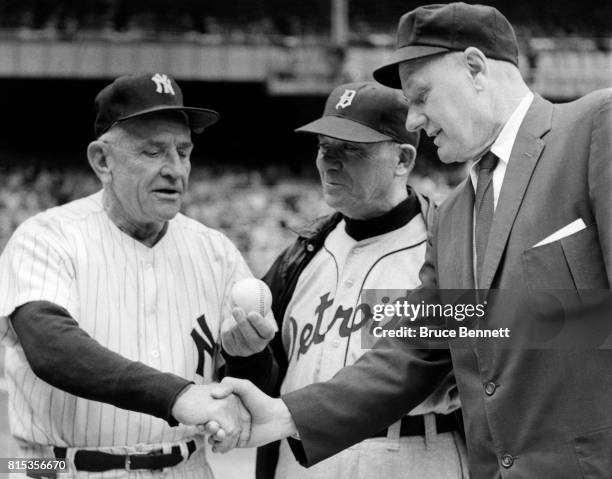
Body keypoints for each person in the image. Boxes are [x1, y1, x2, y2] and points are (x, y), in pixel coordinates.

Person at [208, 3, 612, 478]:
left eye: (421, 96)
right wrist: (286, 415)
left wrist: (483, 322)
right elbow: (415, 350)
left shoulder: (593, 127)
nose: (414, 119)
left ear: (475, 67)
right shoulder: (456, 213)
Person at [0, 73, 275, 478]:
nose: (175, 169)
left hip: (187, 465)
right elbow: (52, 348)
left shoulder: (215, 251)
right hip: (55, 466)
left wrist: (249, 356)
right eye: (153, 152)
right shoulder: (45, 237)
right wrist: (177, 395)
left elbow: (251, 387)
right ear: (102, 161)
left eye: (184, 152)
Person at [232, 81, 467, 479]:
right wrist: (247, 353)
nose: (330, 162)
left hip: (412, 453)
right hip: (300, 456)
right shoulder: (299, 256)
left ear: (402, 159)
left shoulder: (449, 249)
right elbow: (263, 382)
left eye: (352, 149)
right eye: (325, 147)